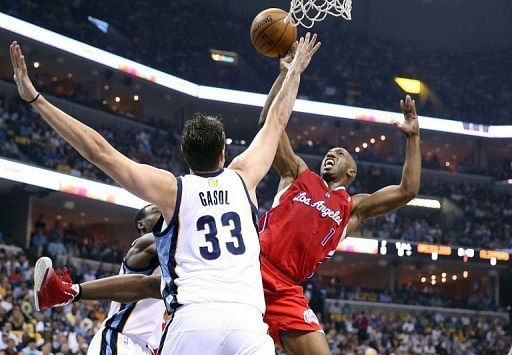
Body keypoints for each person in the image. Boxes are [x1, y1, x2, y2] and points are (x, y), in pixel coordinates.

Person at [16, 32, 321, 354]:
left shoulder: (172, 189)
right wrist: (294, 71)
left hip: (192, 319)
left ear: (184, 154)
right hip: (245, 319)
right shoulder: (243, 177)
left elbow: (99, 151)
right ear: (222, 154)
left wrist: (37, 100)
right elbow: (277, 119)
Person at [255, 51, 421, 354]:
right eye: (329, 152)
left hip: (287, 290)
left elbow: (407, 190)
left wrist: (412, 138)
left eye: (340, 152)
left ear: (351, 171)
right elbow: (269, 123)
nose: (331, 154)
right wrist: (285, 75)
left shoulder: (352, 207)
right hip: (251, 268)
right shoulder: (297, 173)